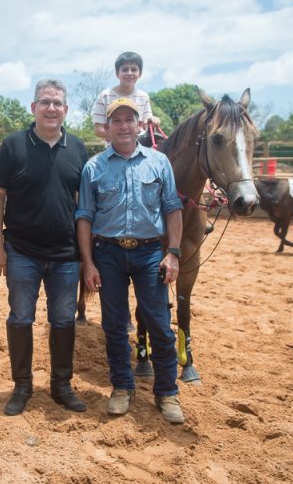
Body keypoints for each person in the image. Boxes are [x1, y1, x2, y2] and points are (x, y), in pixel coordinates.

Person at [75, 97, 185, 424]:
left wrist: (174, 252)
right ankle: (122, 387)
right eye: (117, 121)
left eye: (129, 120)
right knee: (114, 325)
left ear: (140, 126)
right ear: (107, 128)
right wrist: (88, 262)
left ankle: (167, 392)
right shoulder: (93, 167)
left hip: (150, 252)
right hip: (107, 253)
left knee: (159, 325)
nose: (123, 126)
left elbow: (172, 209)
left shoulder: (159, 162)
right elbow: (84, 216)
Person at [0, 78, 89, 416]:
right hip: (21, 252)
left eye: (57, 103)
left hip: (65, 254)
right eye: (45, 102)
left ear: (66, 110)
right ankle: (22, 386)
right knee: (21, 317)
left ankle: (61, 386)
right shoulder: (13, 146)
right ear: (33, 108)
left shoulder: (77, 150)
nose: (51, 108)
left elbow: (84, 205)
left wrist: (87, 255)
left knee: (63, 320)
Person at [92, 51, 161, 142]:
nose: (129, 73)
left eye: (134, 69)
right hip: (112, 148)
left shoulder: (143, 97)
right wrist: (122, 137)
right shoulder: (105, 96)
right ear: (117, 73)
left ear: (139, 73)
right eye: (125, 69)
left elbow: (145, 127)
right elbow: (98, 130)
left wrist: (154, 121)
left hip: (139, 147)